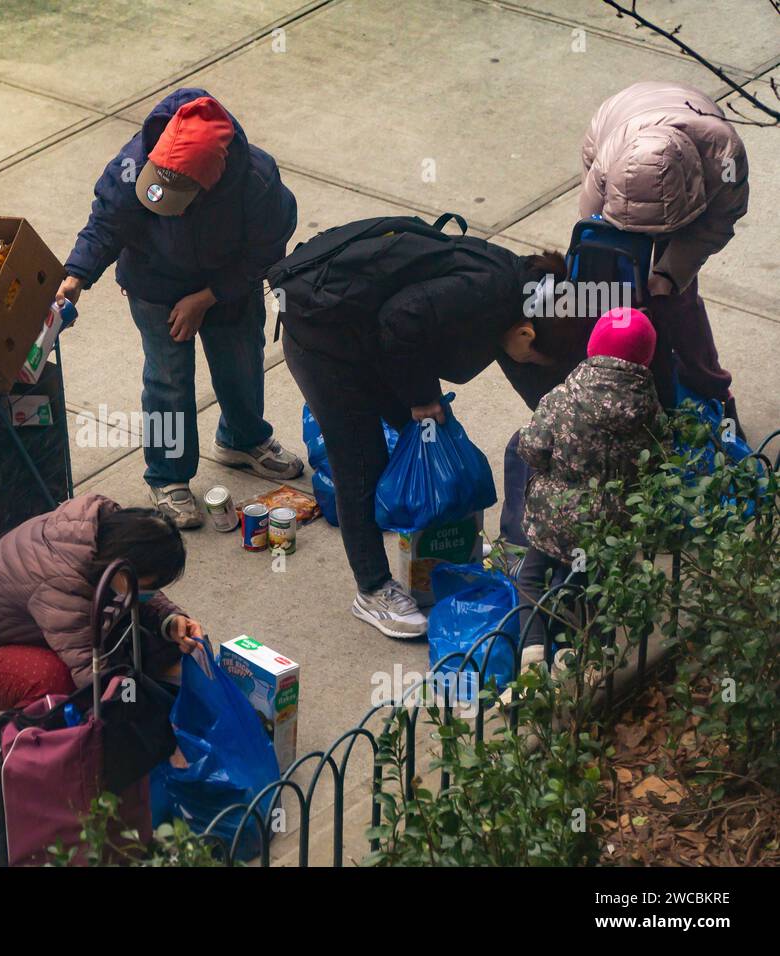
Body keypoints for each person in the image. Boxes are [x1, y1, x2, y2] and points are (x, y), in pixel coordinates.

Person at [278, 220, 566, 638]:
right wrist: (422, 397)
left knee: (433, 445)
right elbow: (400, 319)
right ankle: (373, 590)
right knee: (361, 462)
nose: (526, 365)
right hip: (324, 341)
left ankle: (445, 545)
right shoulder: (487, 296)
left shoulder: (521, 290)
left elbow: (530, 381)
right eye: (533, 356)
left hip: (374, 339)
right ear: (526, 332)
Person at [58, 89, 302, 528]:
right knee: (168, 380)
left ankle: (243, 439)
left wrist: (209, 296)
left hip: (228, 286)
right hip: (155, 285)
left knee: (241, 362)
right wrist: (77, 275)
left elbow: (266, 253)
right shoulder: (134, 163)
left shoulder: (258, 181)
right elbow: (107, 222)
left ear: (213, 179)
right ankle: (167, 475)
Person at [0, 494, 205, 711]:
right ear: (123, 568)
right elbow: (90, 669)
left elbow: (136, 590)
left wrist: (170, 621)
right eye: (150, 587)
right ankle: (37, 749)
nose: (151, 593)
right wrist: (141, 713)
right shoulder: (62, 583)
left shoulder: (106, 537)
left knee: (140, 639)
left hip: (29, 631)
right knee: (59, 680)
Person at [514, 308, 667, 677]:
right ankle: (586, 659)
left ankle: (533, 651)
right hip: (611, 527)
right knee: (594, 585)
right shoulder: (650, 408)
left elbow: (532, 448)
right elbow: (662, 460)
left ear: (593, 346)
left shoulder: (562, 398)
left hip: (557, 516)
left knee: (531, 577)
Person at [580, 81, 748, 417]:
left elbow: (716, 224)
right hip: (616, 122)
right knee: (619, 296)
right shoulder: (604, 164)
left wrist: (669, 275)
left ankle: (712, 388)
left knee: (677, 300)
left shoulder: (723, 157)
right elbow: (592, 230)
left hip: (687, 148)